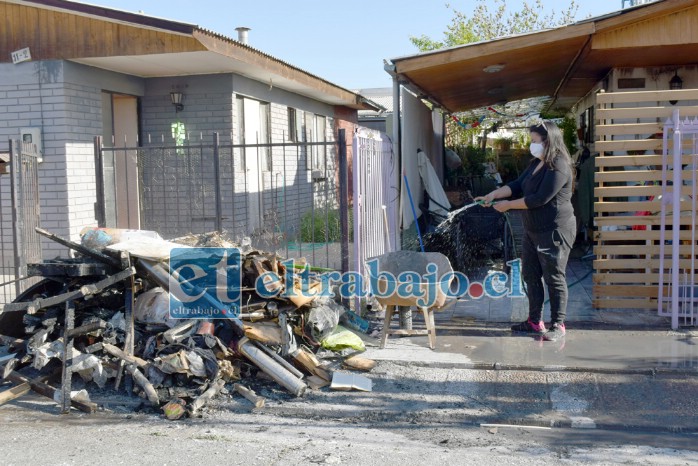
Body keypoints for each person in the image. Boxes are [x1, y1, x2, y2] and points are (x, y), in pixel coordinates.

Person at [476, 121, 576, 341]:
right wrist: (493, 195)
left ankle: (558, 325)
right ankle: (534, 321)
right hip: (533, 229)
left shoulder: (558, 164)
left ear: (548, 140)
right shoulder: (536, 163)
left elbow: (540, 198)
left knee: (554, 277)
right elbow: (517, 185)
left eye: (534, 140)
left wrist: (509, 205)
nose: (532, 145)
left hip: (554, 230)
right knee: (530, 274)